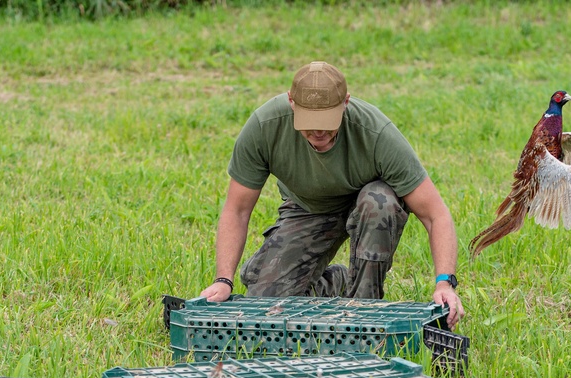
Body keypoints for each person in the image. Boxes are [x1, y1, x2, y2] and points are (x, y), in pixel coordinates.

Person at [199, 61, 465, 328]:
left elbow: (435, 214)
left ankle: (364, 308)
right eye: (310, 122)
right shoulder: (265, 126)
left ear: (345, 103)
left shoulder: (375, 133)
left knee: (378, 201)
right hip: (308, 208)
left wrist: (445, 282)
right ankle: (337, 282)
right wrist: (223, 280)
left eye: (327, 121)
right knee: (266, 303)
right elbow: (237, 210)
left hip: (368, 206)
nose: (319, 131)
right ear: (291, 103)